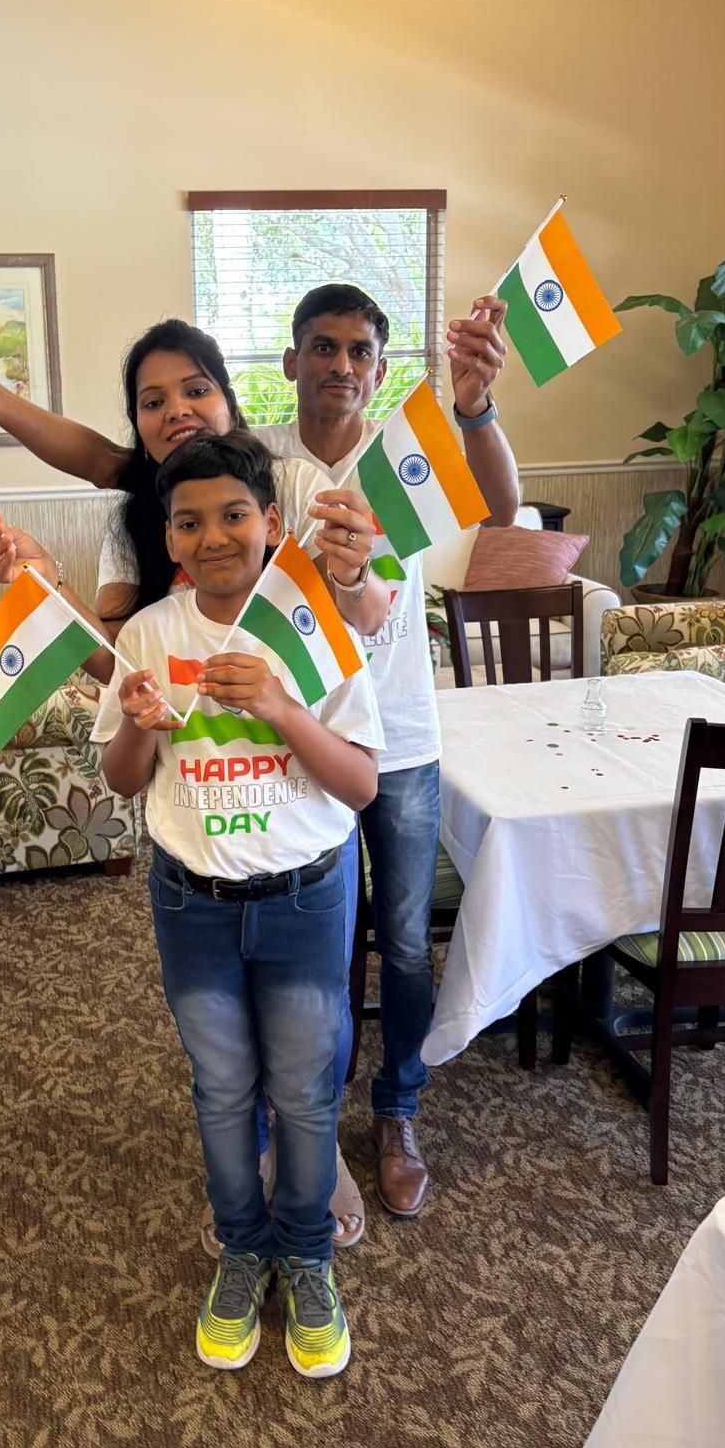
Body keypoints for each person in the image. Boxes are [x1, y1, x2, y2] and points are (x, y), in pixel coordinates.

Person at [0, 318, 378, 1245]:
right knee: (224, 1061)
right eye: (151, 402)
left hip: (322, 783)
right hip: (197, 845)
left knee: (313, 1033)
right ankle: (244, 1171)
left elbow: (361, 612)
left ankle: (312, 1161)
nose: (177, 412)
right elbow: (117, 663)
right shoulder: (141, 522)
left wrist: (354, 579)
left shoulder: (288, 476)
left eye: (195, 388)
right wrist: (38, 591)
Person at [92, 429, 384, 1377]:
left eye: (233, 515)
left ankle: (304, 1252)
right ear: (169, 541)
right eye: (189, 522)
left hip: (305, 900)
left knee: (302, 1090)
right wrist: (138, 727)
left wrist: (282, 709)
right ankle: (241, 1240)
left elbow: (363, 786)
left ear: (270, 522)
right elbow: (125, 777)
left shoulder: (313, 625)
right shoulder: (148, 636)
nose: (214, 536)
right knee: (221, 1086)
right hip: (193, 903)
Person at [255, 284, 519, 1219]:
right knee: (312, 952)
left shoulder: (406, 457)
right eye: (321, 347)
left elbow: (503, 500)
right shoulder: (255, 461)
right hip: (302, 741)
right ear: (291, 361)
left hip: (401, 737)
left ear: (378, 366)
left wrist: (477, 403)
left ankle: (398, 1108)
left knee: (405, 946)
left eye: (360, 351)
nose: (340, 366)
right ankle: (306, 1114)